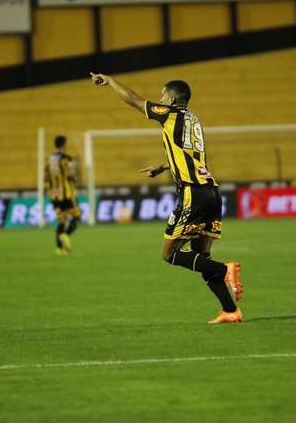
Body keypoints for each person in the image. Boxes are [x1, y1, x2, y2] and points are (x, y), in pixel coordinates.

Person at [90, 72, 243, 324]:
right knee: (200, 258)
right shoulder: (194, 120)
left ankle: (225, 270)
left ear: (171, 100)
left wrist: (111, 82)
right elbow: (188, 155)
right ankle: (230, 310)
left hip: (193, 193)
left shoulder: (170, 113)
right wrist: (164, 166)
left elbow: (134, 100)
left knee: (170, 254)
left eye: (163, 95)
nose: (159, 99)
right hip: (211, 192)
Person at [46, 135, 81, 255]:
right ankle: (65, 235)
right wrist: (75, 178)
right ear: (63, 145)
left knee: (62, 221)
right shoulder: (66, 158)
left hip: (54, 194)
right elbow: (69, 174)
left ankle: (59, 249)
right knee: (76, 216)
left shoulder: (49, 159)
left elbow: (46, 177)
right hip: (66, 194)